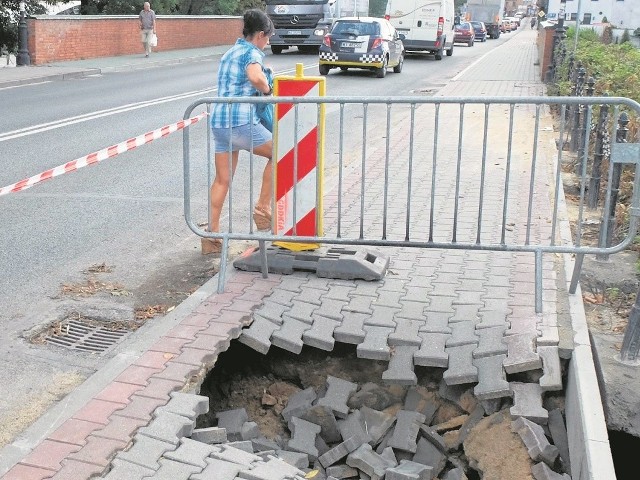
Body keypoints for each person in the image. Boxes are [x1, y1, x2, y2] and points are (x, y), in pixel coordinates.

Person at [204, 9, 275, 254]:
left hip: (220, 123)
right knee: (282, 153)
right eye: (268, 38)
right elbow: (255, 78)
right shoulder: (252, 52)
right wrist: (267, 91)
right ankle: (263, 209)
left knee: (222, 180)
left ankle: (210, 237)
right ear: (261, 35)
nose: (267, 44)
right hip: (241, 122)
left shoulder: (230, 52)